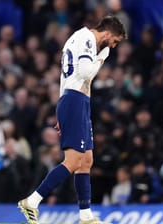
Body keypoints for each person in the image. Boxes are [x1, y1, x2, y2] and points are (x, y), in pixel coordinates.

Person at [17, 15, 126, 224]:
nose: (113, 46)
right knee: (74, 160)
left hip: (78, 102)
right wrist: (102, 57)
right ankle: (32, 201)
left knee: (86, 160)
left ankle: (86, 216)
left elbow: (68, 77)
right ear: (108, 33)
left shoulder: (85, 42)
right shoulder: (85, 38)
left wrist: (64, 108)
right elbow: (85, 72)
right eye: (115, 41)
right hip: (74, 100)